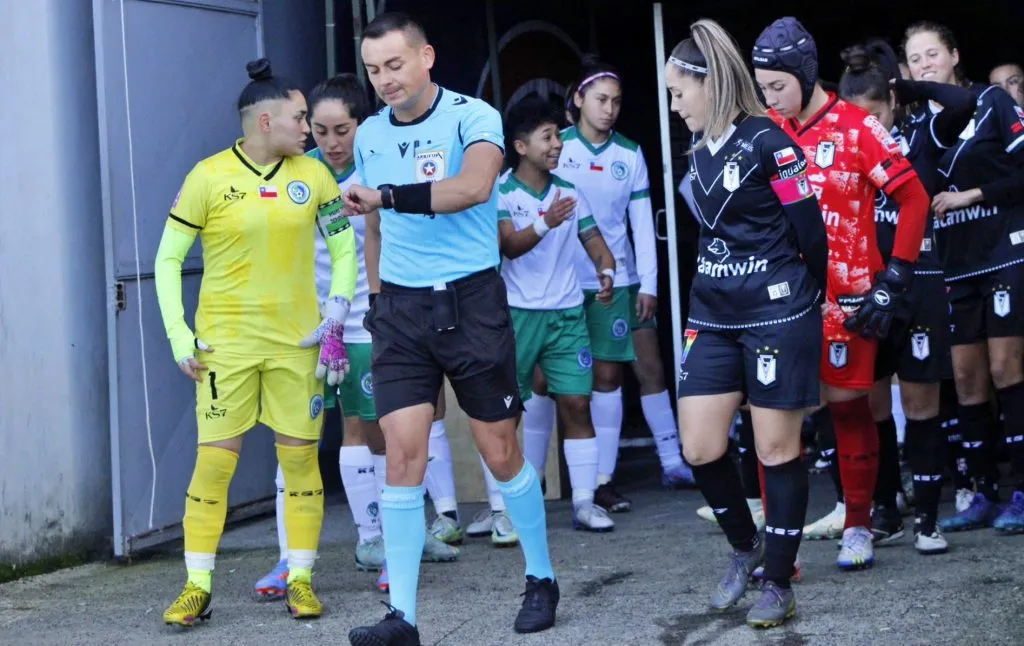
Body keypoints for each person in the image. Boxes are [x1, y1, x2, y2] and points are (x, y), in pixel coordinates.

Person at [343, 13, 558, 645]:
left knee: (500, 451)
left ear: (427, 56)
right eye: (374, 69)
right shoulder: (370, 134)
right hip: (400, 311)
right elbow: (374, 228)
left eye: (395, 64)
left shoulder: (473, 117)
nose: (384, 79)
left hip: (471, 301)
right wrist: (377, 299)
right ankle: (403, 617)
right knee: (402, 454)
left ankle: (541, 577)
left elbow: (473, 187)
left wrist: (387, 194)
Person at [154, 59, 358, 625]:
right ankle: (197, 586)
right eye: (301, 118)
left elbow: (343, 248)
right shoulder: (207, 176)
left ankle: (301, 580)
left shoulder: (315, 176)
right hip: (226, 349)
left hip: (298, 345)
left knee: (301, 464)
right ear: (266, 121)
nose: (309, 128)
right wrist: (179, 335)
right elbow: (168, 259)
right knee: (214, 468)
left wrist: (337, 313)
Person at [250, 74, 460, 601]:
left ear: (361, 126)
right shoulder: (296, 174)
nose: (331, 142)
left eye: (341, 130)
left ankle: (391, 545)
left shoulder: (380, 170)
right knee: (295, 441)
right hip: (307, 328)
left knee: (377, 433)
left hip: (368, 320)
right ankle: (294, 558)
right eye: (319, 130)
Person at [753, 16, 931, 571]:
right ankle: (780, 549)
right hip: (780, 300)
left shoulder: (858, 127)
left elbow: (915, 199)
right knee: (775, 421)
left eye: (777, 86)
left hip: (846, 300)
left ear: (806, 74)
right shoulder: (763, 130)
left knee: (848, 412)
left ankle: (859, 525)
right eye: (762, 88)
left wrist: (895, 278)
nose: (770, 98)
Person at [666, 18, 827, 628]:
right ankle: (745, 546)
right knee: (699, 446)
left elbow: (811, 232)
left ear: (709, 84)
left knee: (775, 447)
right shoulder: (696, 147)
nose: (674, 106)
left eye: (679, 92)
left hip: (776, 310)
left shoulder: (769, 142)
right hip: (712, 313)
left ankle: (779, 582)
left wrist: (809, 296)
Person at [526, 54, 692, 517]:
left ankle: (607, 478)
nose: (609, 109)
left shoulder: (629, 154)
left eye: (616, 101)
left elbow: (642, 224)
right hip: (561, 285)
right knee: (542, 379)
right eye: (600, 99)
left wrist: (648, 284)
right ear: (578, 99)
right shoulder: (555, 148)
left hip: (616, 281)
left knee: (611, 375)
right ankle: (529, 480)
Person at [839, 39, 975, 554]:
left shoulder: (920, 133)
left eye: (875, 114)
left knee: (921, 406)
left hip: (918, 283)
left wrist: (908, 85)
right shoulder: (843, 145)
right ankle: (885, 510)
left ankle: (928, 520)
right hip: (866, 288)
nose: (867, 126)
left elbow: (964, 102)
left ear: (892, 103)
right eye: (857, 117)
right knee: (873, 406)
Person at [905, 22, 1024, 535]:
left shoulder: (992, 100)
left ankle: (1021, 491)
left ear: (954, 56)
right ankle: (981, 493)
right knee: (968, 380)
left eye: (932, 53)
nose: (924, 64)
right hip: (953, 264)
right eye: (915, 59)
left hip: (1003, 250)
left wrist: (971, 195)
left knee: (1004, 369)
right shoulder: (917, 125)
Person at [498, 95, 617, 533]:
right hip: (518, 315)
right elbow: (508, 245)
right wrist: (545, 222)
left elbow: (595, 241)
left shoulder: (569, 191)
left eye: (557, 136)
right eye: (547, 137)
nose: (557, 145)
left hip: (567, 314)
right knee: (506, 411)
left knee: (577, 403)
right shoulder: (501, 192)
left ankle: (585, 503)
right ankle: (505, 509)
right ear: (521, 146)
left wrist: (606, 271)